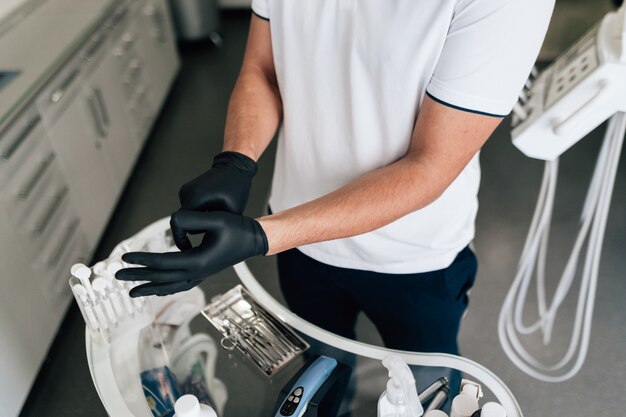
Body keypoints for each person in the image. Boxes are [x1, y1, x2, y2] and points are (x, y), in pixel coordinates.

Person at [117, 0, 555, 357]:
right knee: (321, 364)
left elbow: (430, 165)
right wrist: (236, 160)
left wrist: (258, 237)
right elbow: (262, 69)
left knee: (429, 391)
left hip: (411, 258)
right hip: (297, 237)